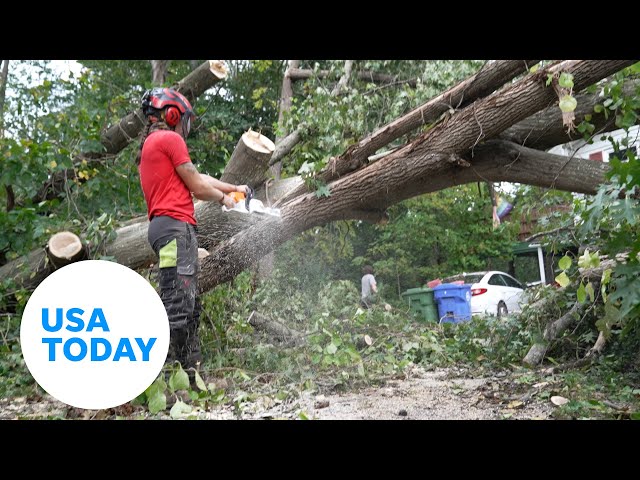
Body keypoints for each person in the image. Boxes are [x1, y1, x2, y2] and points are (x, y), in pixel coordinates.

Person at [137, 87, 250, 374]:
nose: (184, 126)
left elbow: (199, 177)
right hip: (175, 229)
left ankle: (191, 376)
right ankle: (163, 377)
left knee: (188, 303)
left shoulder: (156, 143)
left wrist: (234, 189)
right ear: (171, 113)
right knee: (177, 305)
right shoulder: (168, 139)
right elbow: (198, 187)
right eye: (182, 118)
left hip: (170, 229)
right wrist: (227, 201)